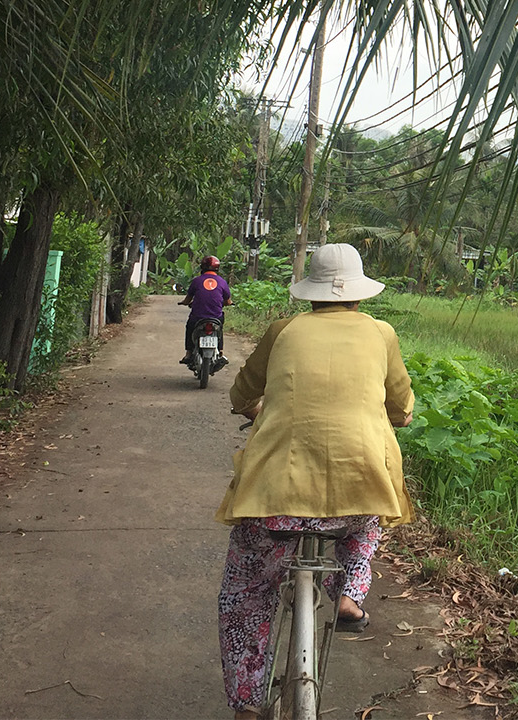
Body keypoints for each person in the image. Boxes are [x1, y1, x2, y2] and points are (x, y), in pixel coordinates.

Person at [214, 243, 415, 719]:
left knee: (245, 595)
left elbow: (242, 392)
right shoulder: (382, 334)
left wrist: (256, 409)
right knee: (366, 525)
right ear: (359, 296)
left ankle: (246, 705)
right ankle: (348, 596)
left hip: (273, 502)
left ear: (310, 295)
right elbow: (402, 408)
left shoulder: (282, 331)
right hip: (357, 494)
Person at [178, 255, 232, 367]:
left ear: (202, 267)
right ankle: (220, 352)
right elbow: (228, 301)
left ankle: (188, 353)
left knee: (190, 327)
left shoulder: (197, 281)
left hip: (198, 317)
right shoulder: (222, 282)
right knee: (219, 329)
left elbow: (188, 299)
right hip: (216, 317)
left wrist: (184, 302)